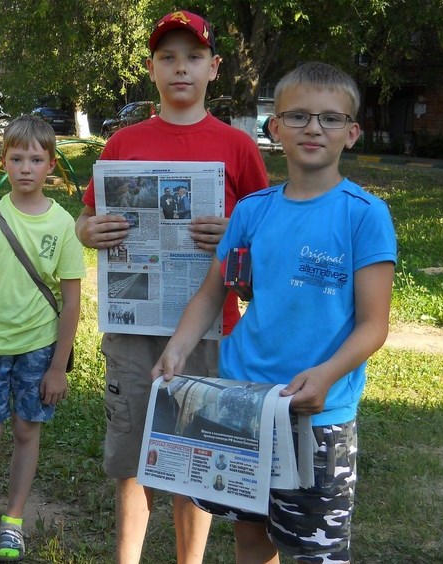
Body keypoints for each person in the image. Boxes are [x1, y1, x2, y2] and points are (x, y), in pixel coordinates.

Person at [152, 62, 397, 563]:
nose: (313, 128)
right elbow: (210, 294)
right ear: (275, 128)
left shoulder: (364, 214)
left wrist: (326, 375)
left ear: (351, 134)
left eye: (330, 119)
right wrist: (177, 348)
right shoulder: (252, 210)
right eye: (299, 116)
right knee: (250, 536)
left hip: (317, 412)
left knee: (314, 552)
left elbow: (375, 324)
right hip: (243, 404)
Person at [75, 10, 269, 564]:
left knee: (196, 456)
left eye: (193, 57)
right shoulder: (123, 143)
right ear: (150, 69)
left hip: (212, 331)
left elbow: (264, 240)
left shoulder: (238, 147)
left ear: (214, 68)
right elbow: (84, 220)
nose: (180, 68)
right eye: (167, 57)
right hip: (135, 331)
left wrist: (235, 239)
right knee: (135, 459)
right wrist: (89, 230)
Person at [0, 115, 86, 561]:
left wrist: (57, 366)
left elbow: (72, 302)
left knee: (27, 431)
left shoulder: (63, 225)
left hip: (39, 350)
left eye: (36, 159)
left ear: (51, 167)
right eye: (17, 157)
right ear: (3, 162)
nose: (26, 167)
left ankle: (14, 520)